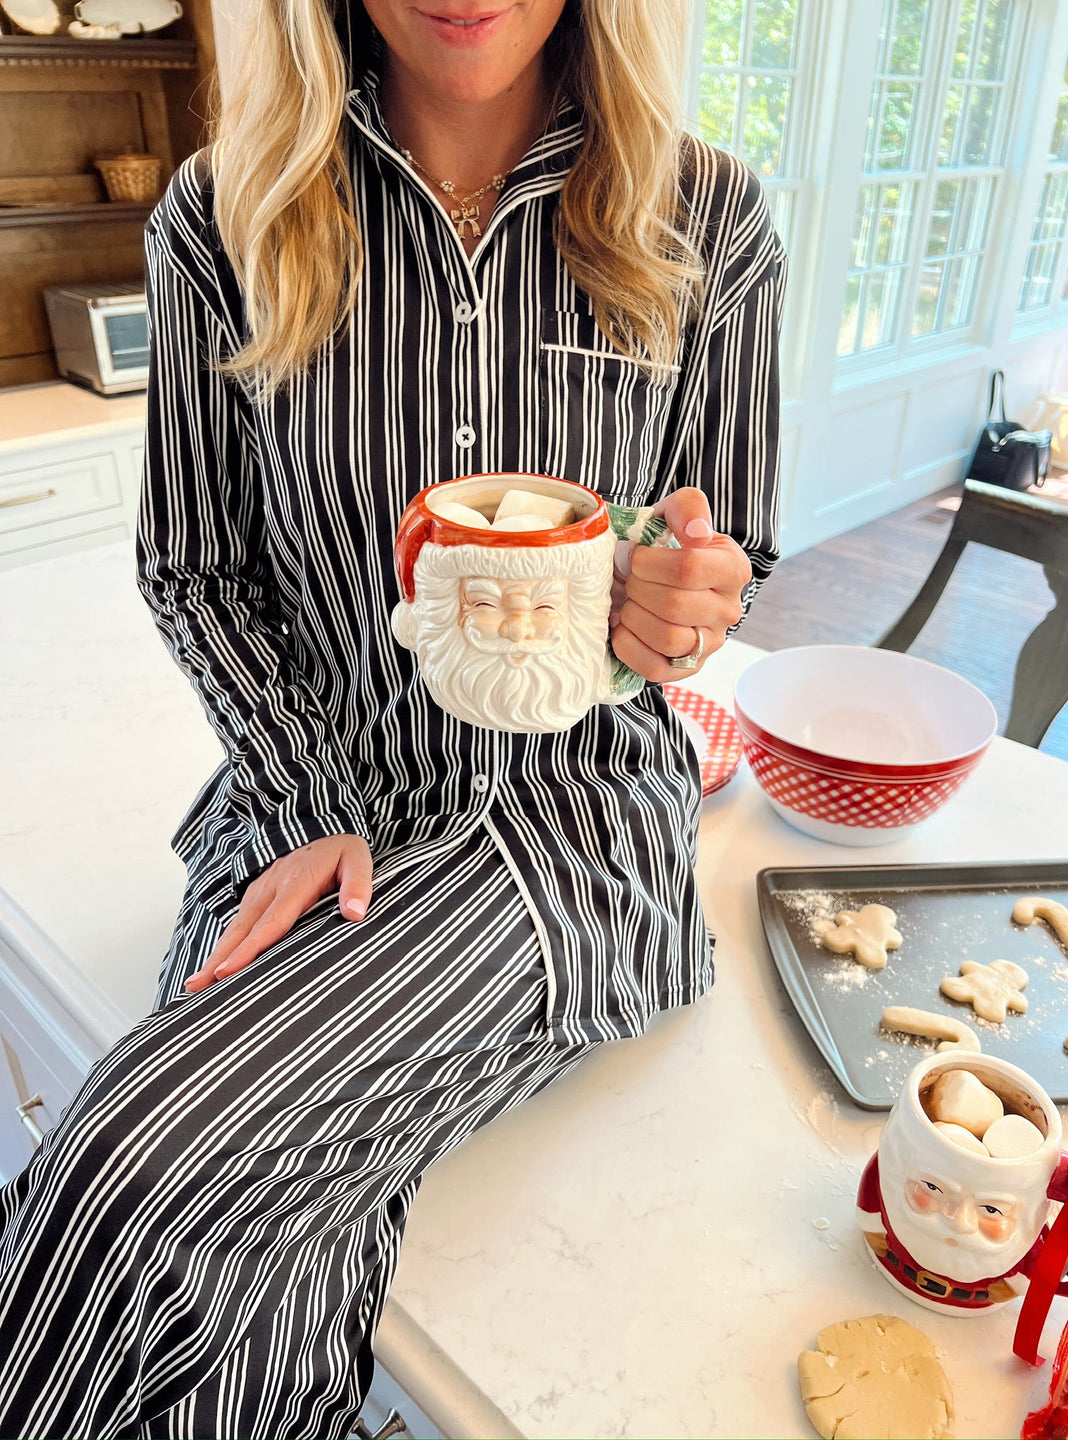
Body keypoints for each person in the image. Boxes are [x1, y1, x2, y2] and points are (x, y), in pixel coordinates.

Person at [0, 0, 783, 1434]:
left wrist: (687, 601)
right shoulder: (225, 215)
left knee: (137, 1159)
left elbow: (735, 549)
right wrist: (311, 803)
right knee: (229, 1238)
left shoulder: (708, 217)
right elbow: (196, 565)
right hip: (307, 808)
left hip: (564, 840)